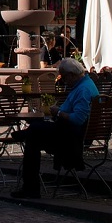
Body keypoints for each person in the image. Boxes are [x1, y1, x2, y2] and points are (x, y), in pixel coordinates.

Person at [10, 57, 99, 200]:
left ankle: (31, 188)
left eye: (64, 77)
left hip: (72, 137)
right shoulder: (86, 84)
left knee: (34, 134)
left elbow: (77, 119)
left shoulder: (82, 90)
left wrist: (58, 112)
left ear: (71, 75)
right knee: (35, 131)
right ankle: (27, 134)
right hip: (72, 133)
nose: (63, 81)